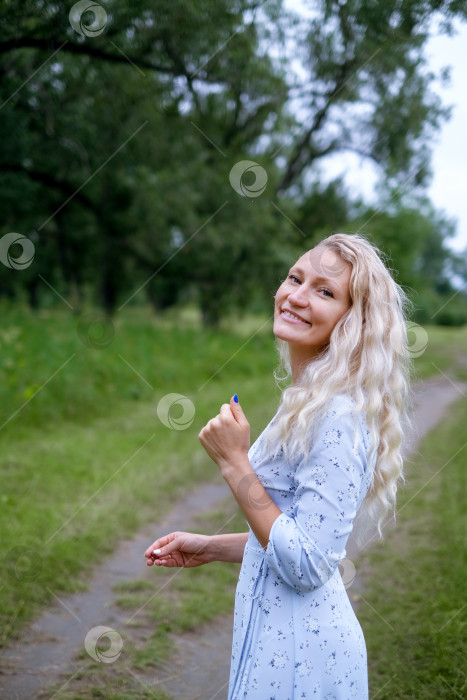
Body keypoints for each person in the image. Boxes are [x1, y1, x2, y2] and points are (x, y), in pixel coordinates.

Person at [144, 233, 412, 699]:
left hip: (302, 656)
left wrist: (235, 464)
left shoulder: (337, 417)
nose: (297, 296)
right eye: (295, 278)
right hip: (278, 641)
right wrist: (211, 547)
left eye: (325, 292)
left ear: (354, 321)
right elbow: (302, 534)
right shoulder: (310, 400)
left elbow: (308, 565)